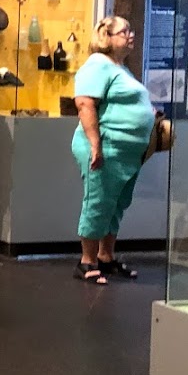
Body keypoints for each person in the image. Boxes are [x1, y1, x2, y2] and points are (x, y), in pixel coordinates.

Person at [71, 15, 154, 283]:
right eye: (124, 31)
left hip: (125, 153)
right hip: (105, 147)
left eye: (131, 30)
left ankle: (105, 257)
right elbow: (85, 104)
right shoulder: (97, 64)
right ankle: (87, 261)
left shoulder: (120, 68)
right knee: (98, 201)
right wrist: (95, 144)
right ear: (106, 37)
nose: (131, 35)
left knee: (116, 204)